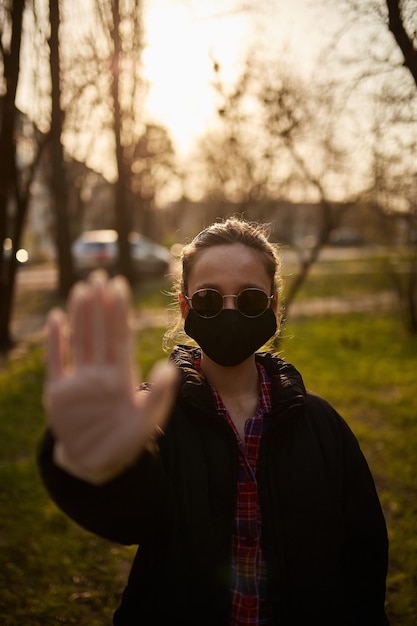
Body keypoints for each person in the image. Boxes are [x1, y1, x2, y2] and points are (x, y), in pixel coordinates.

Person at [38, 217, 390, 626]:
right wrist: (94, 464)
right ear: (185, 307)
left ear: (274, 306)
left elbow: (363, 556)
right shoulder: (151, 418)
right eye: (207, 299)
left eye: (250, 299)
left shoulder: (322, 426)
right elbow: (128, 511)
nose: (229, 311)